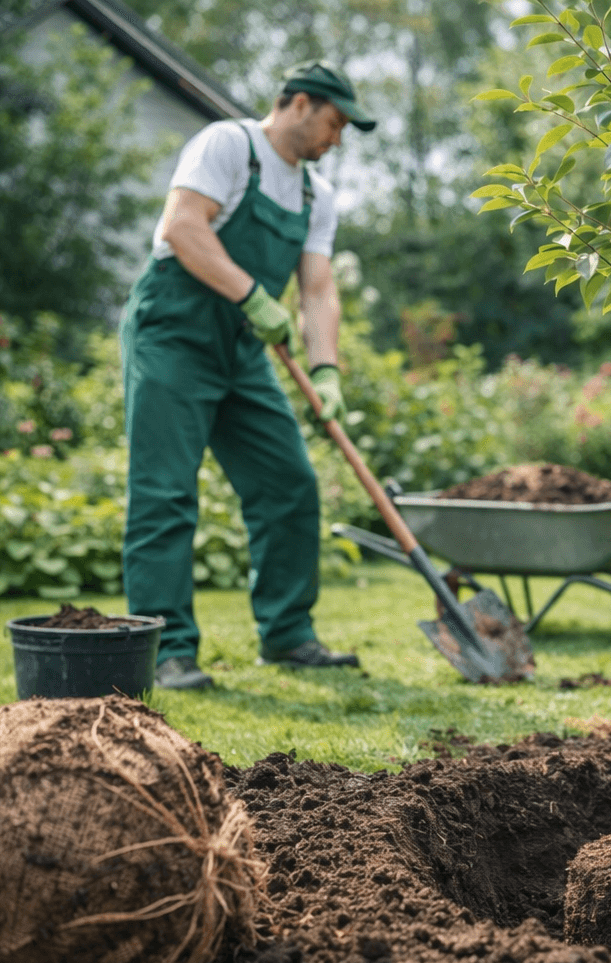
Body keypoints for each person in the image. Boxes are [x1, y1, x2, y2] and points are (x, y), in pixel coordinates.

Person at [119, 61, 376, 691]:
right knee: (167, 492)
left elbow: (318, 291)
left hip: (240, 350)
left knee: (290, 483)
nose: (336, 140)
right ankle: (168, 648)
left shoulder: (318, 195)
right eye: (334, 122)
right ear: (299, 103)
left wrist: (327, 371)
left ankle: (288, 634)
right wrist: (254, 296)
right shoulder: (227, 144)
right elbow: (182, 227)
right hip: (173, 335)